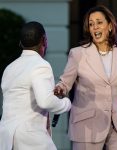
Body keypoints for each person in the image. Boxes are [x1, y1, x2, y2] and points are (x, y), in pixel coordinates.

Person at [54, 5, 117, 150]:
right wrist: (60, 89)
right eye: (91, 24)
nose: (95, 27)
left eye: (99, 22)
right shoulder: (78, 54)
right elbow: (65, 83)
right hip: (87, 125)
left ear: (110, 26)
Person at [0, 21, 71, 150]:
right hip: (30, 138)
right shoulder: (40, 65)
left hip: (6, 138)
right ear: (44, 40)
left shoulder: (9, 68)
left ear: (20, 43)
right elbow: (46, 102)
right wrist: (66, 103)